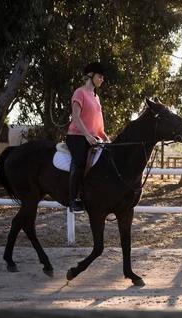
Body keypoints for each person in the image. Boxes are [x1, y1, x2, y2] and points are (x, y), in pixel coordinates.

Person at [66, 61, 110, 214]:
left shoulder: (96, 97)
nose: (101, 80)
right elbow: (76, 117)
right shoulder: (80, 92)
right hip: (77, 137)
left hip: (94, 137)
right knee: (79, 162)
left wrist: (107, 138)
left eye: (103, 78)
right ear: (91, 75)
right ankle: (73, 200)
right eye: (100, 77)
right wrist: (87, 136)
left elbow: (99, 125)